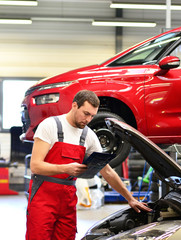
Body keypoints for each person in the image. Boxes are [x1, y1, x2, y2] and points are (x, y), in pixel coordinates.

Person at [26, 90, 151, 240]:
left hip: (67, 201)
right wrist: (65, 168)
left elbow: (107, 171)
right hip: (43, 198)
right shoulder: (50, 125)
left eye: (92, 115)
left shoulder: (88, 135)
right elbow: (36, 166)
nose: (88, 119)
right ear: (74, 105)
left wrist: (129, 198)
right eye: (86, 113)